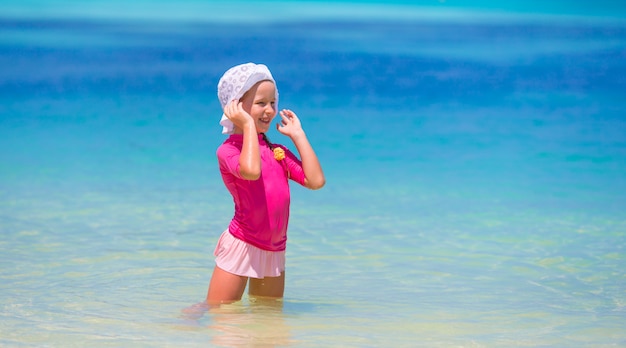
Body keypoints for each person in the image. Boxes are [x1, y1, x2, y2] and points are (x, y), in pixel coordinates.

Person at [206, 62, 325, 305]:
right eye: (261, 103)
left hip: (274, 249)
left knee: (268, 322)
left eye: (273, 102)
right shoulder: (227, 151)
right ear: (235, 107)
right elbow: (250, 171)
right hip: (242, 244)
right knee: (219, 314)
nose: (270, 110)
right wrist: (248, 125)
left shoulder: (277, 151)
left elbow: (315, 181)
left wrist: (298, 136)